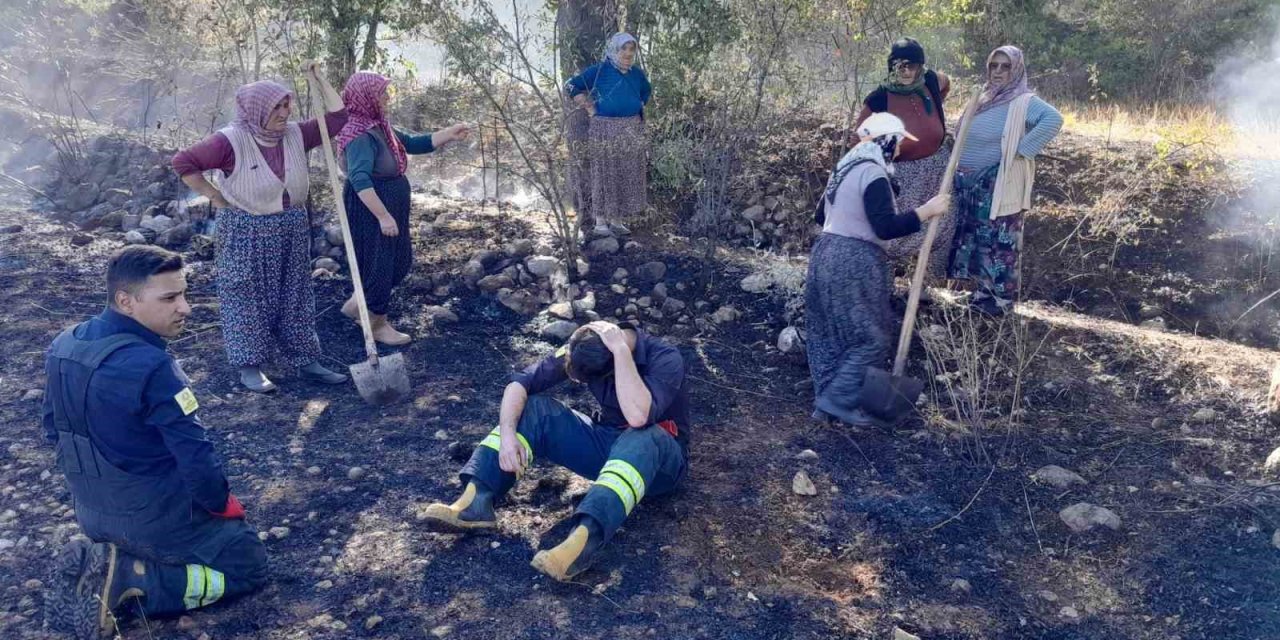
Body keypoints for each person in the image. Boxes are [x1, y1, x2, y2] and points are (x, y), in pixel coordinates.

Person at [42, 246, 267, 639]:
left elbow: (51, 429)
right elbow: (196, 457)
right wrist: (219, 505)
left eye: (184, 294)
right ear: (126, 301)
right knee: (248, 564)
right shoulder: (154, 367)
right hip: (152, 518)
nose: (186, 308)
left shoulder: (64, 343)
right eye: (169, 298)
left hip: (92, 512)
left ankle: (114, 561)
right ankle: (137, 582)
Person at [420, 321, 689, 581]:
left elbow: (638, 417)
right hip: (608, 445)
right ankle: (475, 501)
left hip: (658, 462)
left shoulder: (665, 357)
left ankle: (583, 541)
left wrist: (620, 352)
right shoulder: (587, 342)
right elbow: (520, 383)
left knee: (642, 435)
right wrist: (508, 437)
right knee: (536, 408)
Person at [172, 63, 348, 393]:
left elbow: (339, 119)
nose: (284, 113)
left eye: (286, 105)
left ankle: (306, 359)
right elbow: (183, 162)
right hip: (246, 227)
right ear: (256, 110)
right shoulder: (230, 141)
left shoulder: (296, 133)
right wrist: (215, 197)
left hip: (291, 225)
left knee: (295, 293)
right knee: (246, 295)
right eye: (276, 107)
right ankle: (250, 368)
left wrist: (320, 79)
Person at [807, 113, 950, 426]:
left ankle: (826, 404)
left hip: (825, 252)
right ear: (886, 140)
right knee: (871, 336)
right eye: (897, 142)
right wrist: (927, 211)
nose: (899, 150)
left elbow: (821, 216)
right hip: (854, 258)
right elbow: (884, 227)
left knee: (830, 333)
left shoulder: (844, 168)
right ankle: (837, 400)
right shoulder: (873, 172)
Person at [334, 71, 470, 346]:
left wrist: (449, 134)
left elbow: (412, 143)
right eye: (382, 93)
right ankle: (378, 324)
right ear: (367, 97)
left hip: (390, 202)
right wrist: (382, 215)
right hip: (371, 206)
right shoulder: (360, 134)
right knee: (380, 265)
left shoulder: (379, 125)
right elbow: (359, 178)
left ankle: (357, 304)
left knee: (399, 262)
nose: (388, 98)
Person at [947, 45, 1063, 316]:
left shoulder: (1023, 101)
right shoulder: (984, 96)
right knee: (977, 238)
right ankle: (981, 293)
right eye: (994, 66)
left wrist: (1021, 151)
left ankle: (1001, 301)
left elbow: (1053, 120)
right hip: (970, 183)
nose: (998, 71)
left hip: (996, 182)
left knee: (1000, 240)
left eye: (1005, 66)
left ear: (1017, 69)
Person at [854, 37, 954, 279]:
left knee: (943, 224)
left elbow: (946, 83)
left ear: (921, 67)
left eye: (912, 65)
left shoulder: (930, 82)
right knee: (897, 231)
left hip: (938, 168)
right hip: (903, 173)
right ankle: (882, 283)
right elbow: (861, 138)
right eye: (900, 66)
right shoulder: (879, 99)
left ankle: (926, 285)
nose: (907, 71)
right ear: (892, 67)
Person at [565, 32, 651, 237]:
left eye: (632, 49)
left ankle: (617, 221)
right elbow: (571, 85)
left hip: (630, 130)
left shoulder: (636, 73)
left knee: (624, 174)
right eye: (624, 49)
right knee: (604, 173)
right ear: (615, 49)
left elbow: (646, 92)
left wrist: (637, 104)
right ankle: (600, 222)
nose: (628, 53)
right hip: (604, 129)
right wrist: (588, 106)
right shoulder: (601, 70)